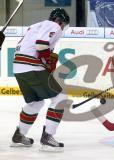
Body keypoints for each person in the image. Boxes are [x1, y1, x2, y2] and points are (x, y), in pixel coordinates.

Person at [11, 8, 70, 152]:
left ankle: (19, 135)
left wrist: (46, 60)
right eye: (63, 24)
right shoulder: (54, 25)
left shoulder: (35, 26)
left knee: (35, 102)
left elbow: (35, 47)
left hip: (19, 68)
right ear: (59, 20)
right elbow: (41, 45)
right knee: (60, 98)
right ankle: (48, 137)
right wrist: (48, 60)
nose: (62, 28)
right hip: (32, 66)